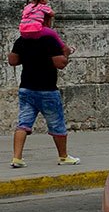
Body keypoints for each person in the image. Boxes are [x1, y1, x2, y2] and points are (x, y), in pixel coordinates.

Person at [9, 17, 78, 167]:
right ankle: (63, 156)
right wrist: (67, 54)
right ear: (45, 22)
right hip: (47, 90)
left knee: (23, 124)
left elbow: (12, 60)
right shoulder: (49, 40)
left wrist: (28, 57)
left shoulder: (22, 40)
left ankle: (17, 158)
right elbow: (59, 64)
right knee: (57, 124)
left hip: (26, 88)